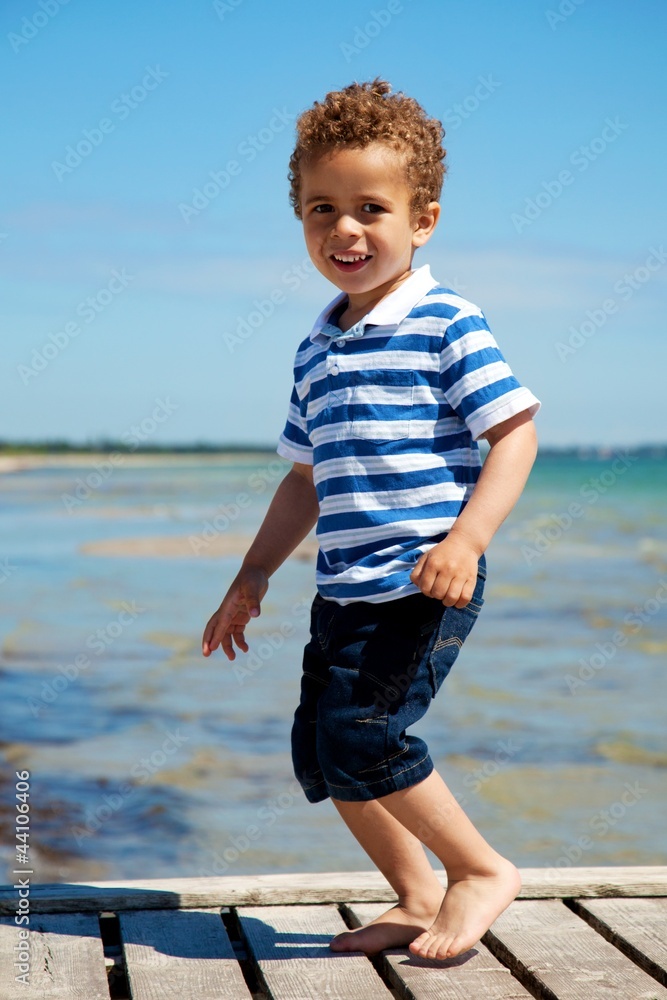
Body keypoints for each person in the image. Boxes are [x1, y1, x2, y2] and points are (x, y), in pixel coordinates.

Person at [202, 78, 540, 962]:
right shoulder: (316, 346)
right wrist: (252, 575)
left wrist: (467, 538)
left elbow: (515, 434)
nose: (343, 229)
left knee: (365, 734)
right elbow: (304, 479)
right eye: (321, 208)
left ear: (421, 219)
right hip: (342, 587)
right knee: (321, 750)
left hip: (422, 579)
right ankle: (416, 891)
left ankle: (478, 871)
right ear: (301, 219)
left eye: (370, 208)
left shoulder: (444, 321)